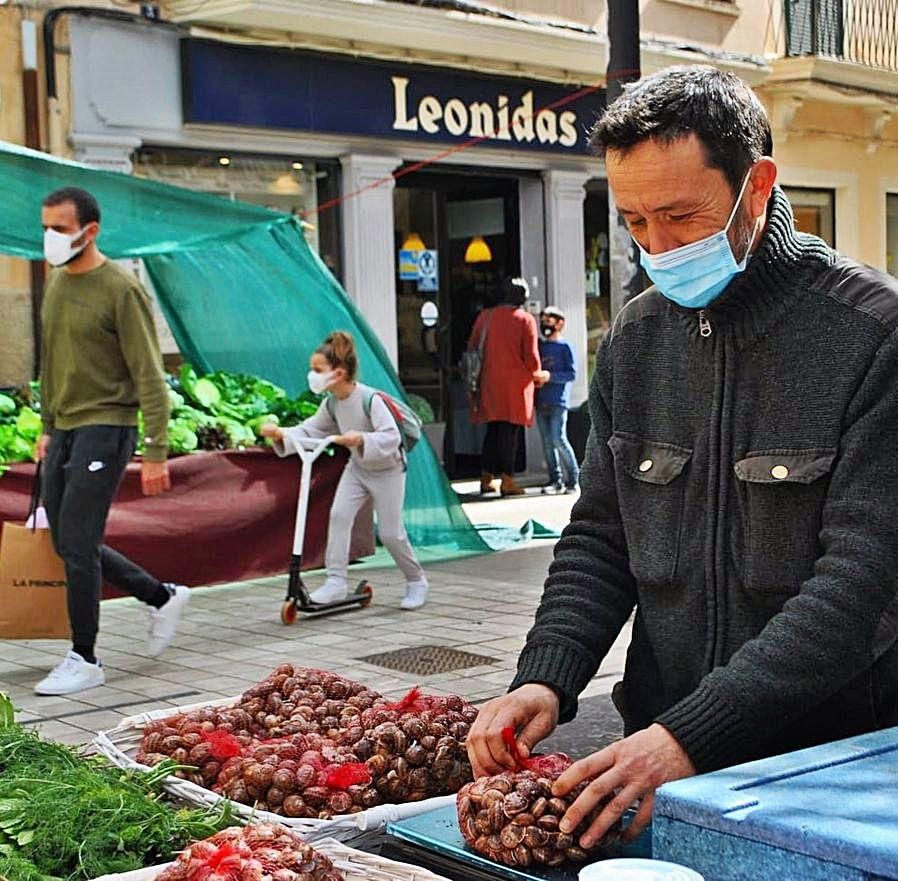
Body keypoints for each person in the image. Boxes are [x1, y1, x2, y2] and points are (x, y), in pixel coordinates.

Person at [467, 65, 898, 848]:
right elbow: (602, 537)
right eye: (633, 221)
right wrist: (546, 672)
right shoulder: (635, 340)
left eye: (681, 218)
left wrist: (694, 734)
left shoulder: (873, 335)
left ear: (757, 185)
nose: (657, 248)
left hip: (826, 774)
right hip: (654, 756)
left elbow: (862, 584)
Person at [34, 187, 189, 697]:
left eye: (59, 228)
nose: (50, 238)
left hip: (109, 427)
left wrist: (157, 449)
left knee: (78, 542)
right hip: (67, 429)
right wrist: (46, 426)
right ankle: (160, 595)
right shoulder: (57, 284)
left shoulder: (120, 288)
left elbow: (150, 374)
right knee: (66, 540)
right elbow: (53, 363)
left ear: (90, 230)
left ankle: (84, 657)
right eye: (46, 226)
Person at [261, 331, 428, 610]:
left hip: (388, 471)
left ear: (338, 373)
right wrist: (280, 433)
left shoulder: (370, 399)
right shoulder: (332, 403)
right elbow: (311, 429)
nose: (311, 375)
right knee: (338, 517)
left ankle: (416, 580)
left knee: (390, 533)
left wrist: (361, 439)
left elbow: (391, 437)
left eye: (317, 370)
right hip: (358, 468)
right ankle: (336, 582)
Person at [467, 277, 547, 497]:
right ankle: (508, 480)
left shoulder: (485, 316)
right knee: (509, 434)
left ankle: (486, 478)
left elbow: (472, 346)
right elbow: (531, 357)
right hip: (515, 385)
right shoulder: (525, 319)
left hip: (488, 383)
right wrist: (539, 374)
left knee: (492, 431)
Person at [535, 306, 579, 495]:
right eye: (543, 320)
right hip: (541, 400)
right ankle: (555, 480)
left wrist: (549, 376)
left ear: (560, 323)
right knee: (546, 442)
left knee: (558, 438)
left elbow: (571, 374)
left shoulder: (565, 347)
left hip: (558, 401)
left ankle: (573, 479)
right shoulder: (540, 347)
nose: (545, 324)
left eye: (549, 320)